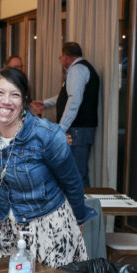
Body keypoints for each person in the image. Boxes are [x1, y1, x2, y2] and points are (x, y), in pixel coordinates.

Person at [0, 67, 95, 268]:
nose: (6, 101)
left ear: (24, 100)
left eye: (14, 95)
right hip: (8, 233)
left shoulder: (47, 135)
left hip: (50, 230)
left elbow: (72, 182)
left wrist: (78, 221)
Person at [31, 42, 99, 187]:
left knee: (76, 171)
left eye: (61, 57)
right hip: (79, 129)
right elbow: (66, 96)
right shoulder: (79, 70)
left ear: (67, 57)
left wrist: (61, 128)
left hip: (77, 129)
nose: (61, 61)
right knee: (74, 170)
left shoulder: (78, 70)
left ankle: (81, 207)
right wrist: (46, 103)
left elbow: (74, 100)